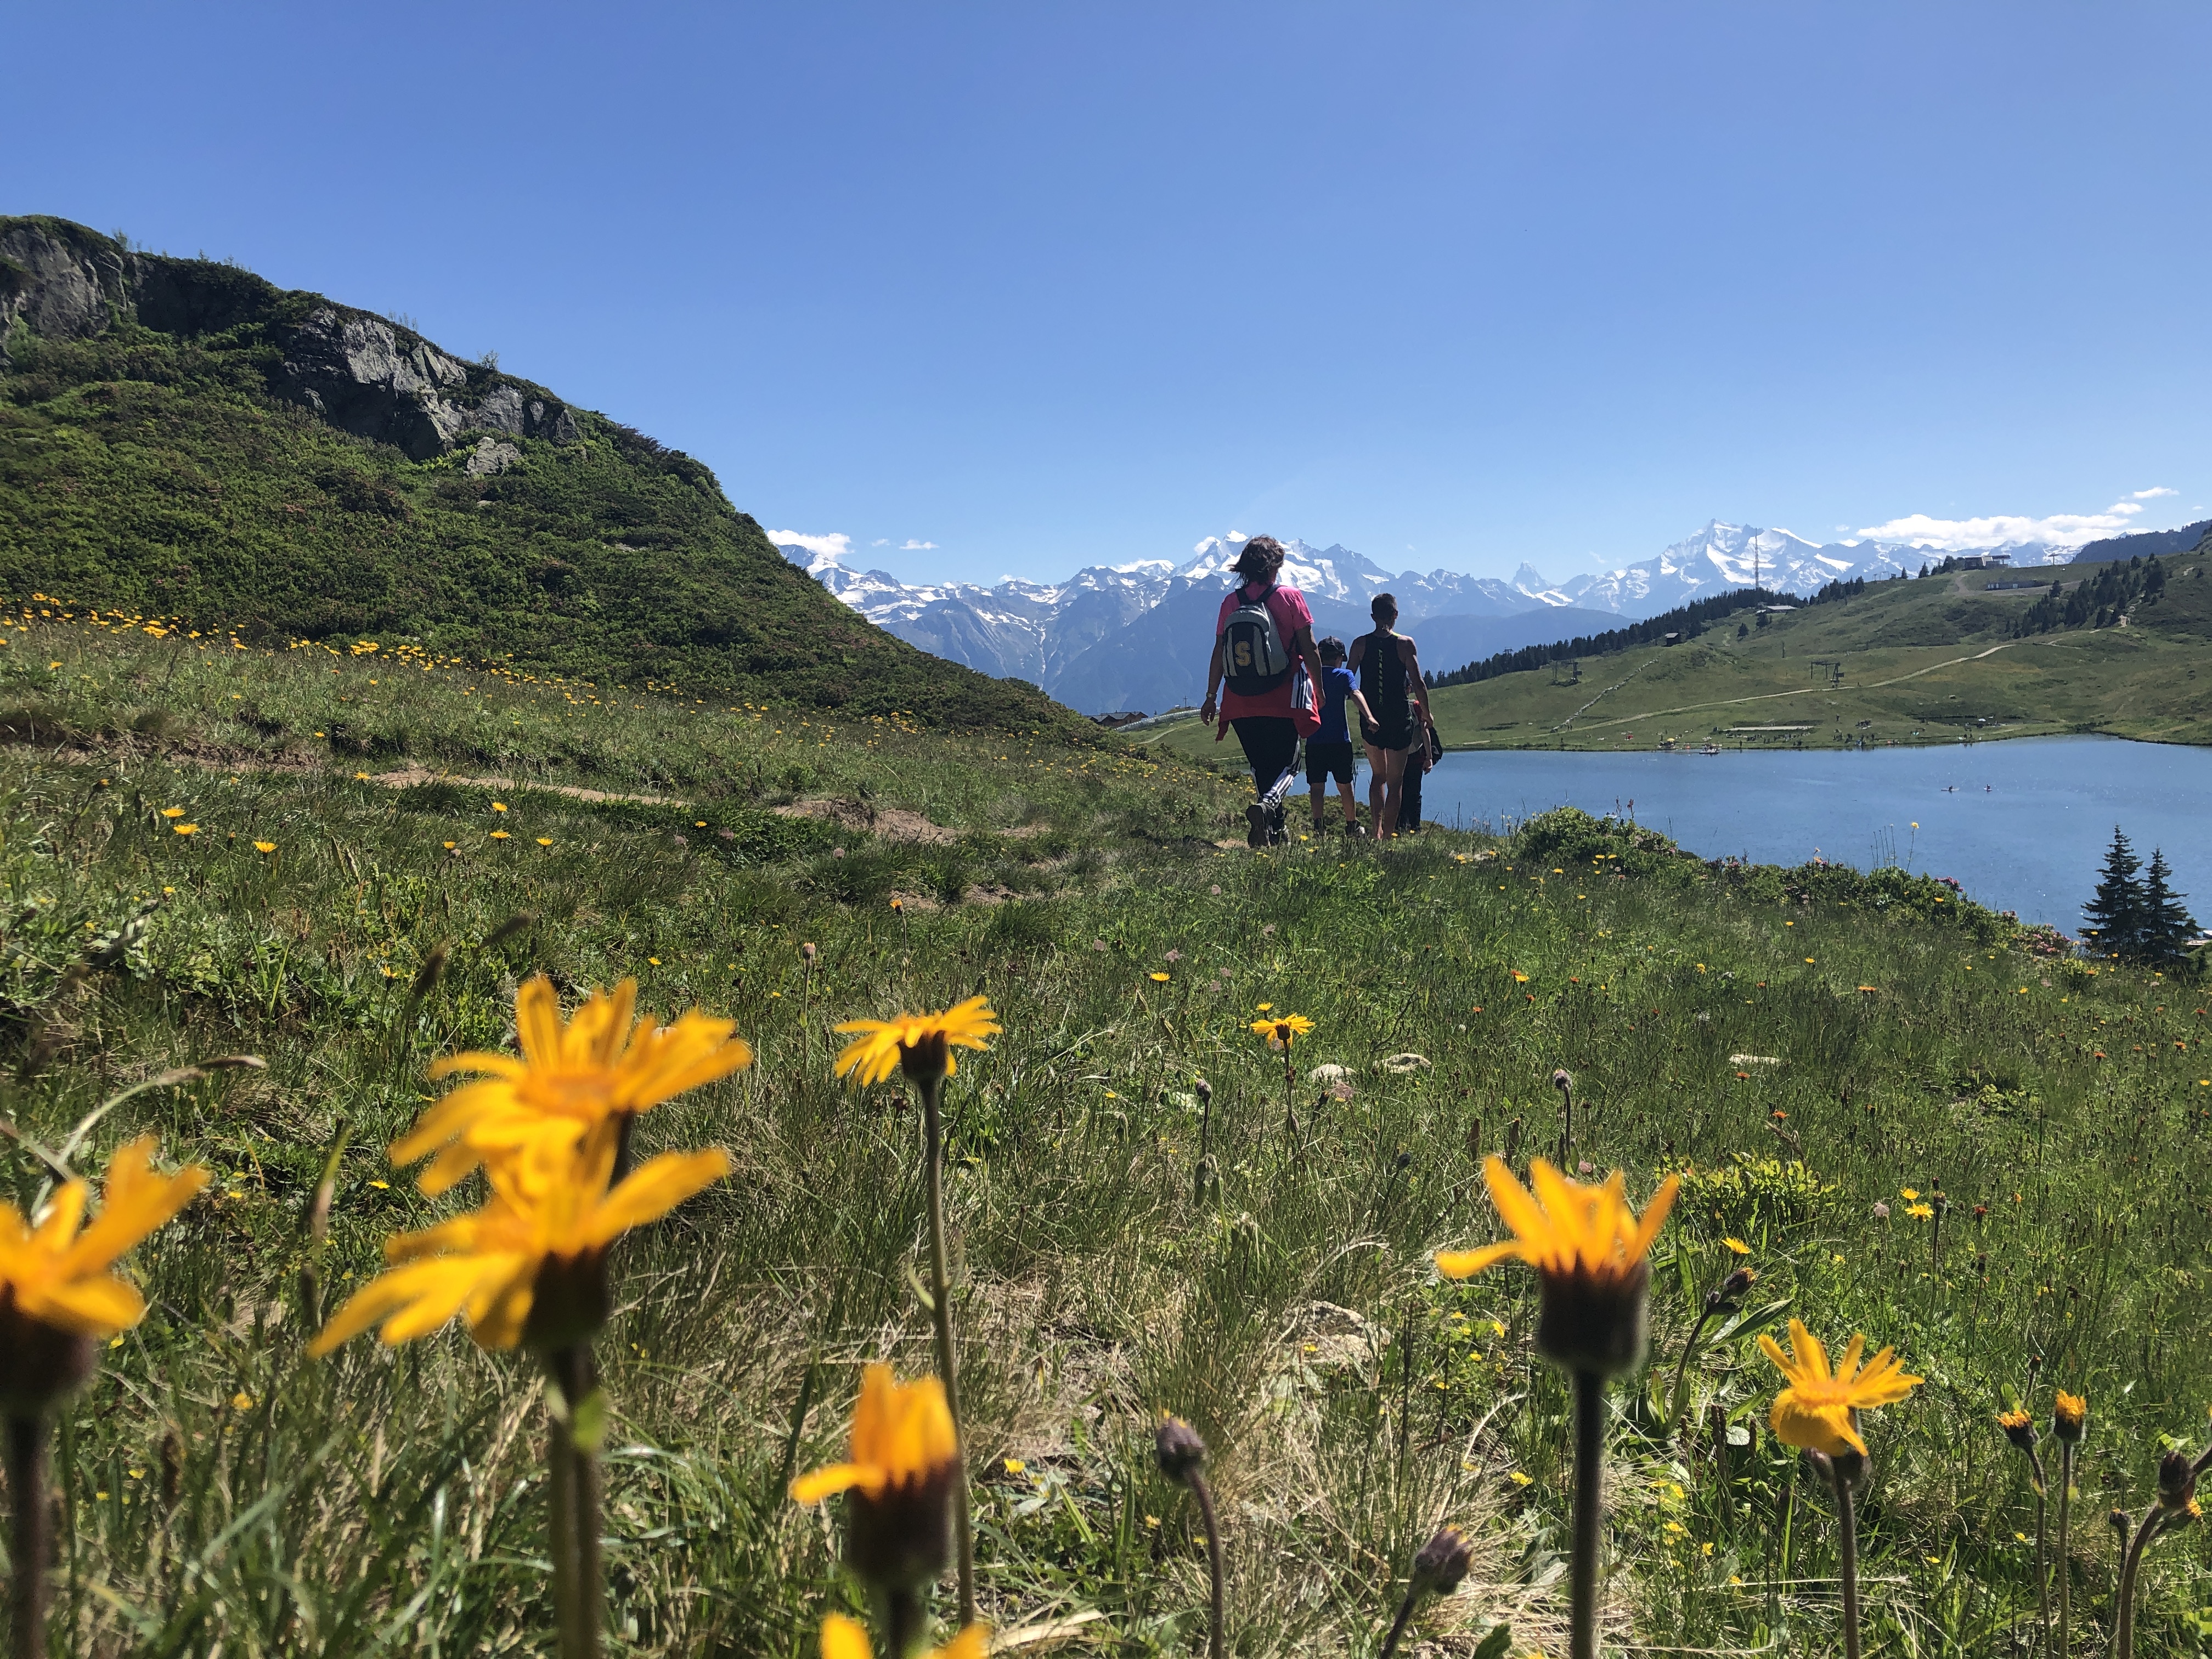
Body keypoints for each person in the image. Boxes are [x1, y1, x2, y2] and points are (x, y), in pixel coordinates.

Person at [1200, 535, 1325, 846]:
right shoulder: (1290, 597)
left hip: (1238, 699)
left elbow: (1219, 651)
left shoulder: (1230, 602)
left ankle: (1273, 832)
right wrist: (1319, 689)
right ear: (1275, 566)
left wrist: (1211, 696)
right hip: (1282, 697)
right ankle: (1268, 808)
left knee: (1260, 766)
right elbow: (1310, 649)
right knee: (1289, 764)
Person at [1348, 592, 1430, 839]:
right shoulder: (1405, 644)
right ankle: (1389, 837)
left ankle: (1375, 831)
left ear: (1373, 616)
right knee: (1396, 783)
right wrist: (1427, 713)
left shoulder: (1360, 644)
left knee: (1378, 777)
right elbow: (1418, 683)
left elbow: (1349, 680)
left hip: (1371, 719)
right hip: (1398, 720)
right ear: (1396, 615)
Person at [1304, 636, 1375, 836]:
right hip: (1340, 741)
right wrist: (1369, 717)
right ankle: (1351, 824)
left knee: (1316, 787)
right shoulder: (1344, 675)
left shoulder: (1310, 676)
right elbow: (1356, 694)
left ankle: (1319, 827)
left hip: (1314, 740)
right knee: (1345, 786)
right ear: (1340, 658)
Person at [1397, 705, 1442, 832]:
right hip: (1415, 757)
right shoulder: (1415, 706)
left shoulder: (1388, 705)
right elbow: (1426, 728)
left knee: (1398, 792)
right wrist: (1429, 758)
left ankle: (1399, 828)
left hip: (1396, 757)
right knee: (1414, 794)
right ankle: (1415, 828)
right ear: (1409, 689)